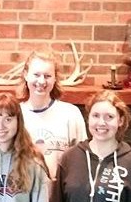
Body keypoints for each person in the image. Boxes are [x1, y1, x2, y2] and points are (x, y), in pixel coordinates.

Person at [16, 48, 87, 181]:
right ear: (26, 75)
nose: (41, 81)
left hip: (60, 190)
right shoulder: (15, 114)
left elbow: (83, 160)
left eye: (47, 76)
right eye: (36, 75)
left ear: (55, 79)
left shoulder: (71, 114)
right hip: (23, 190)